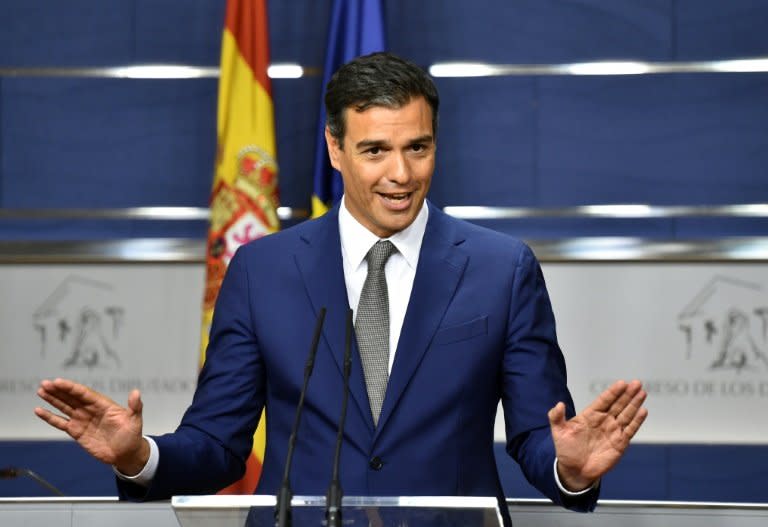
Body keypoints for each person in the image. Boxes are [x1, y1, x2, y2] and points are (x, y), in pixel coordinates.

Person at [35, 52, 647, 526]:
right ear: (335, 148)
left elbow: (539, 437)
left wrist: (570, 470)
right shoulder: (263, 270)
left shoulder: (501, 269)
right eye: (375, 151)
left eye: (418, 148)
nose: (401, 174)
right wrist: (138, 456)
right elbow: (218, 444)